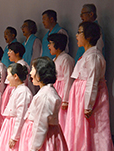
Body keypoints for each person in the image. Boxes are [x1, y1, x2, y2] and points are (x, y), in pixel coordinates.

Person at [64, 22, 114, 151]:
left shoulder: (94, 56)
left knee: (92, 128)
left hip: (87, 98)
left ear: (89, 36)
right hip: (80, 95)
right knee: (79, 127)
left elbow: (92, 81)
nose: (76, 35)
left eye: (79, 32)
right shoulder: (87, 55)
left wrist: (88, 105)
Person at [19, 57, 68, 151]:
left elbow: (41, 124)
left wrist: (35, 147)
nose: (30, 73)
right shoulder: (45, 91)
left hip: (42, 140)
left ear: (40, 73)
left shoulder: (45, 95)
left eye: (33, 69)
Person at [0, 63, 32, 151]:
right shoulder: (16, 89)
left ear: (15, 76)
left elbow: (21, 116)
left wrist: (15, 136)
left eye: (9, 75)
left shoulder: (23, 92)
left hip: (14, 127)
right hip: (9, 126)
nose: (7, 78)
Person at [47, 33, 75, 132]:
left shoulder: (66, 59)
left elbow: (68, 80)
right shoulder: (54, 59)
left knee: (62, 117)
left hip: (62, 90)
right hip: (55, 88)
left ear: (58, 45)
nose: (48, 46)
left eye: (50, 43)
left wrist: (66, 100)